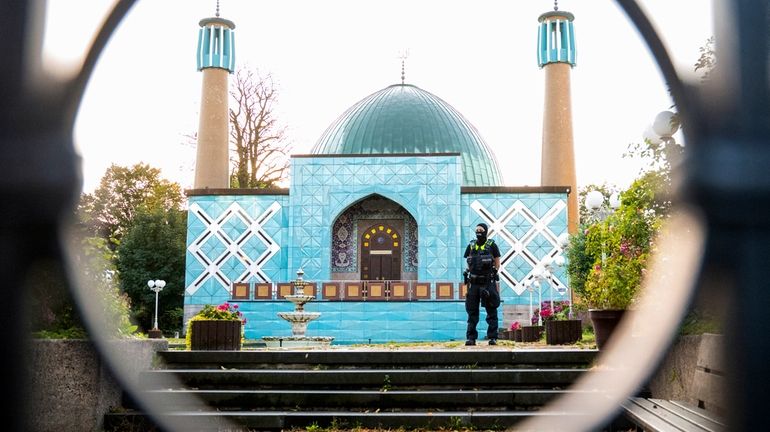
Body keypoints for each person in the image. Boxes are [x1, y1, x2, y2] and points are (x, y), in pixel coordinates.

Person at [463, 223, 501, 346]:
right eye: (477, 230)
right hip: (474, 283)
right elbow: (468, 260)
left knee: (491, 310)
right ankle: (471, 338)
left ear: (486, 231)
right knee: (472, 311)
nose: (479, 231)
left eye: (481, 230)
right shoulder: (471, 245)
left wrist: (494, 271)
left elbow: (497, 261)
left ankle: (493, 337)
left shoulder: (492, 245)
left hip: (487, 282)